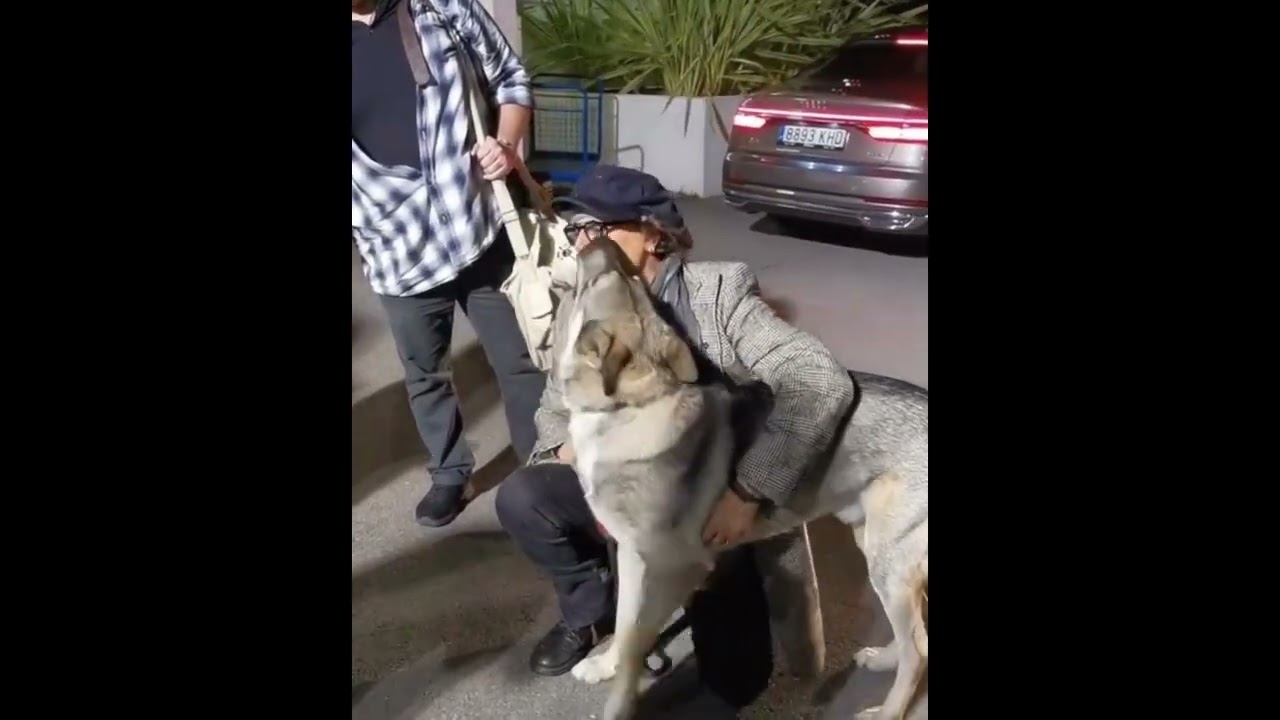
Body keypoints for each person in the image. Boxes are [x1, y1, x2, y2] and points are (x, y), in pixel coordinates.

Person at [494, 165, 855, 676]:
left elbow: (819, 380)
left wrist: (747, 494)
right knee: (524, 497)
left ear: (653, 233)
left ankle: (710, 644)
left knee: (732, 669)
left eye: (599, 229)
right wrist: (568, 454)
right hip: (618, 479)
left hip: (707, 497)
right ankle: (590, 612)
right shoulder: (582, 300)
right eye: (576, 230)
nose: (582, 245)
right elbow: (555, 404)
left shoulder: (719, 294)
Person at [352, 0, 545, 527]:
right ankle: (450, 474)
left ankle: (541, 468)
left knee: (520, 359)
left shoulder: (439, 7)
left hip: (476, 228)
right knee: (425, 374)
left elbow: (510, 75)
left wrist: (506, 144)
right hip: (396, 249)